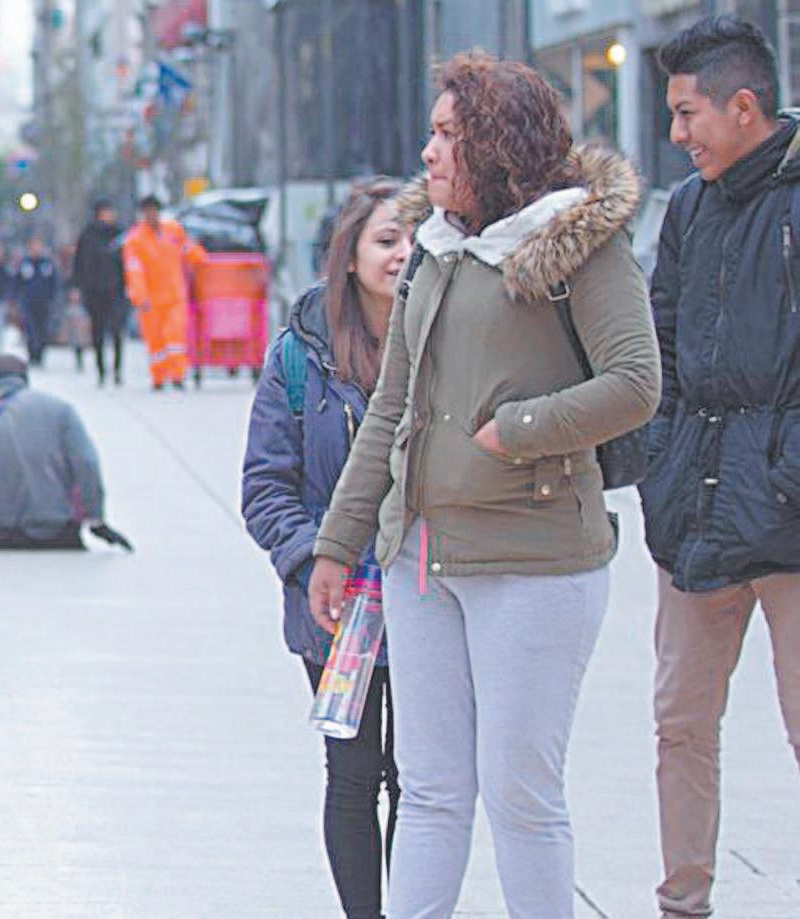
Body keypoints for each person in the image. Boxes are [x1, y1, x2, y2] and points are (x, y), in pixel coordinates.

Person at [308, 54, 661, 919]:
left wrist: (520, 428)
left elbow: (636, 382)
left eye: (448, 135)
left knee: (520, 795)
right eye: (431, 132)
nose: (427, 152)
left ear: (497, 146)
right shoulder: (435, 249)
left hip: (534, 561)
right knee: (430, 790)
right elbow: (390, 408)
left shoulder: (576, 243)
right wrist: (337, 542)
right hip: (420, 559)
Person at [645, 17, 800, 918]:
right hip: (695, 506)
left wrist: (786, 469)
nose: (677, 134)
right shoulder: (688, 208)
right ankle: (684, 899)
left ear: (745, 106)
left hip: (789, 513)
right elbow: (659, 346)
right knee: (680, 722)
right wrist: (663, 462)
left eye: (686, 113)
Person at [241, 178, 411, 919]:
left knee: (420, 777)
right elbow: (264, 485)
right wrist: (316, 559)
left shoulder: (445, 342)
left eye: (414, 240)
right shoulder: (300, 355)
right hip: (339, 604)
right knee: (353, 771)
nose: (402, 254)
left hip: (428, 588)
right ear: (349, 256)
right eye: (386, 240)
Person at [0, 355, 128, 550]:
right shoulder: (61, 411)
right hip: (54, 532)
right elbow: (86, 462)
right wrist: (95, 518)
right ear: (25, 379)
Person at [122, 194, 208, 390]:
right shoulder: (135, 240)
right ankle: (159, 377)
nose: (151, 215)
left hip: (175, 295)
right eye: (147, 212)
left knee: (175, 336)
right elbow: (134, 270)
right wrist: (139, 296)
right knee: (156, 341)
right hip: (150, 300)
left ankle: (178, 375)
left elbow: (189, 250)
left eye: (154, 211)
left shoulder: (173, 231)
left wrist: (202, 259)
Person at [72, 200, 130, 386]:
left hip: (116, 290)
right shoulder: (88, 235)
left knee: (117, 330)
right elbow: (79, 262)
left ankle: (117, 370)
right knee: (97, 331)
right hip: (94, 290)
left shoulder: (119, 234)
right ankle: (101, 370)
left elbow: (128, 261)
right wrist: (76, 286)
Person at [14, 238, 61, 368]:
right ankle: (32, 355)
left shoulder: (47, 264)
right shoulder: (25, 264)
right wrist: (17, 297)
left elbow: (54, 282)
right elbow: (17, 281)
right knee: (30, 329)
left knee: (42, 329)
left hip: (44, 302)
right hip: (28, 301)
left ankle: (40, 354)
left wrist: (53, 298)